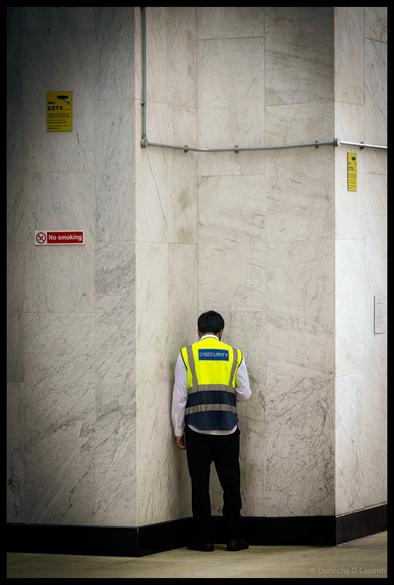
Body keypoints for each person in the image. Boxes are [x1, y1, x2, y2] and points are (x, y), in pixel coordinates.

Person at [171, 310, 252, 552]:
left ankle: (203, 540)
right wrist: (228, 395)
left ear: (198, 332)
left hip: (196, 428)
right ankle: (234, 538)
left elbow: (179, 397)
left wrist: (178, 430)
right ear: (220, 332)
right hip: (228, 429)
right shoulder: (234, 354)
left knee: (200, 485)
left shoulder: (187, 355)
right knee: (231, 484)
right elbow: (246, 393)